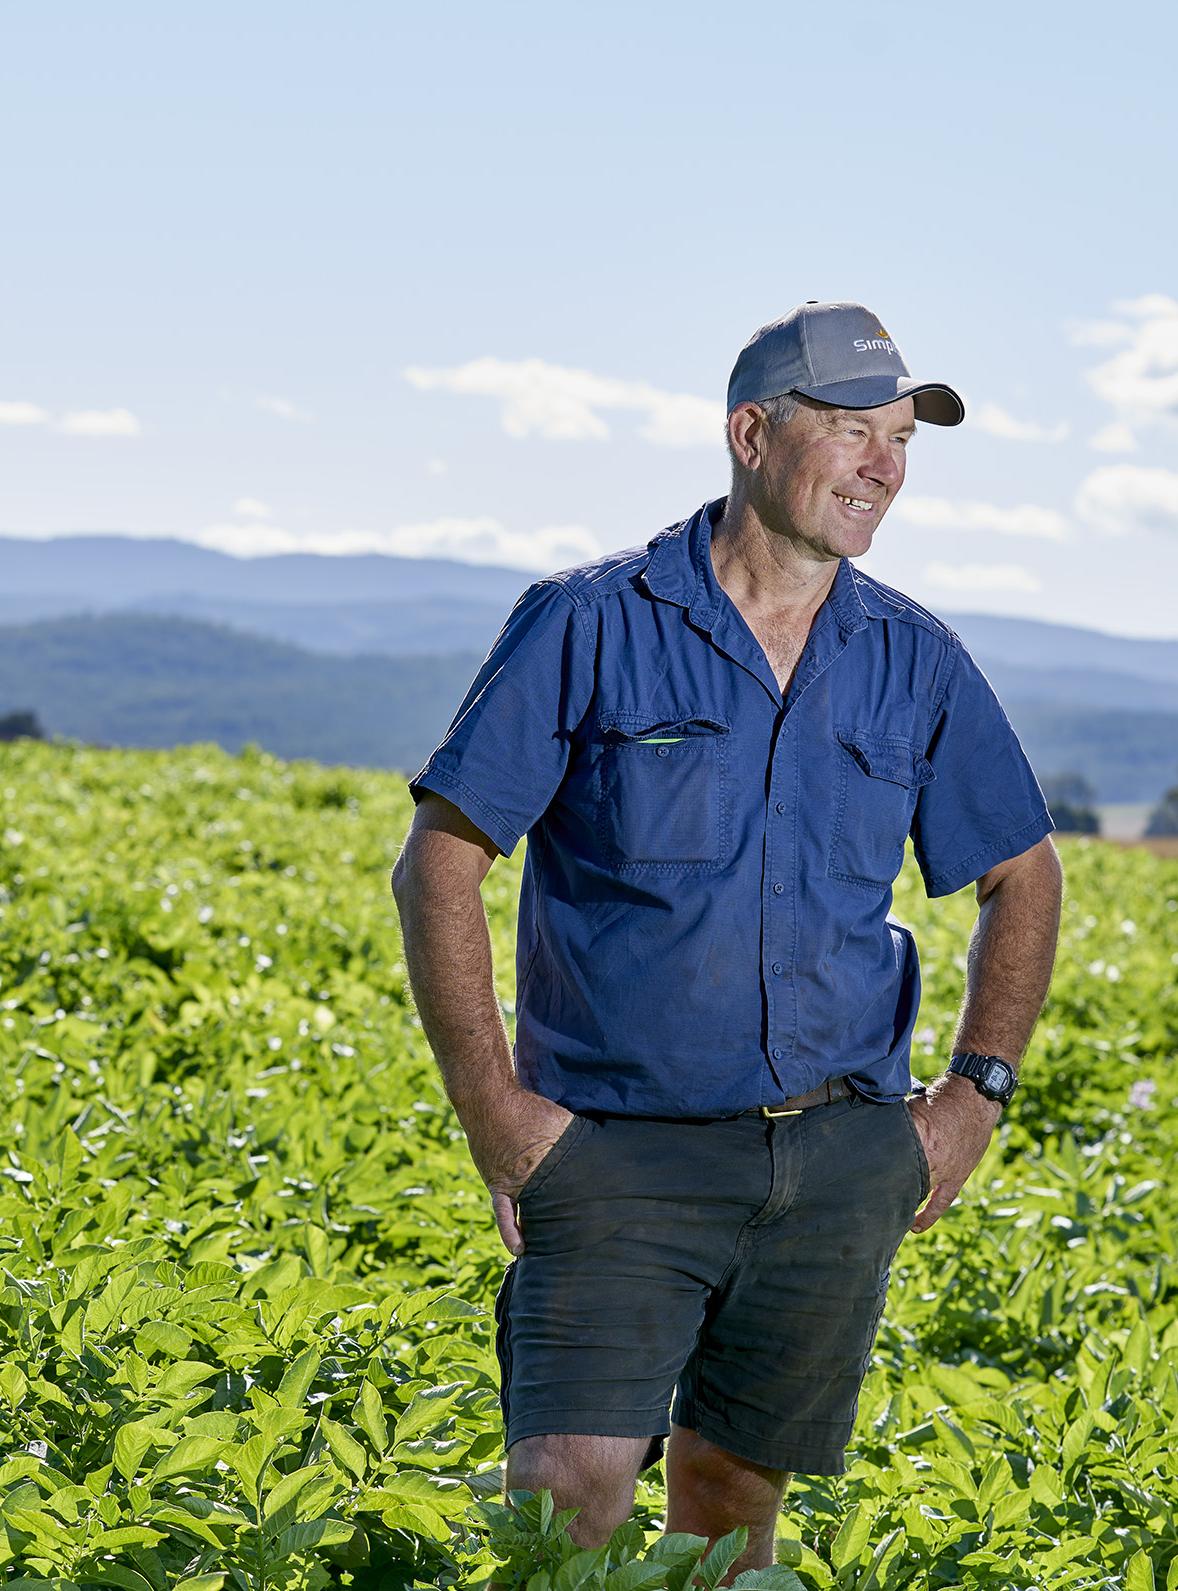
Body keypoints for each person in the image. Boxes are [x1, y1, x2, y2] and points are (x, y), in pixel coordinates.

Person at [390, 303, 1063, 1579]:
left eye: (903, 439)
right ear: (751, 434)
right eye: (854, 432)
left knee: (733, 1493)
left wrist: (973, 1095)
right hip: (616, 1151)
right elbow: (441, 862)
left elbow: (1024, 876)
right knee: (564, 1498)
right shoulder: (588, 621)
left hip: (832, 1156)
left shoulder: (912, 658)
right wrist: (496, 1114)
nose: (884, 467)